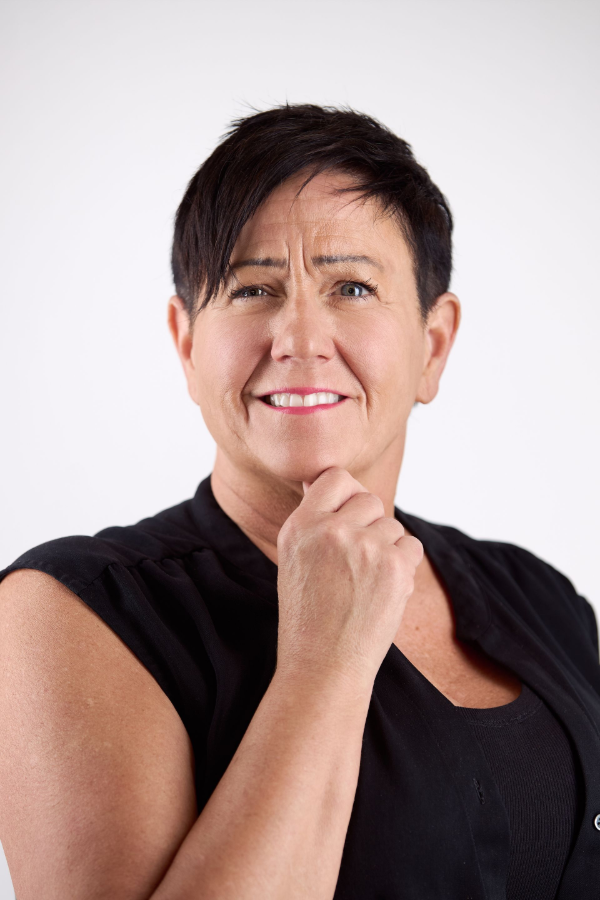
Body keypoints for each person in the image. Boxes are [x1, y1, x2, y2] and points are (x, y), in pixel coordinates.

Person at [0, 104, 598, 900]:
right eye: (253, 289)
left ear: (434, 344)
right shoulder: (70, 613)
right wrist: (324, 667)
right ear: (186, 344)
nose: (299, 338)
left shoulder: (543, 599)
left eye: (352, 285)